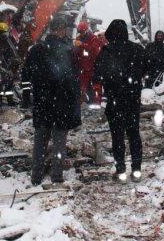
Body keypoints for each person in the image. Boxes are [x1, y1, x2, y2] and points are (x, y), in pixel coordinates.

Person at [21, 16, 81, 186]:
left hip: (42, 103)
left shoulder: (36, 50)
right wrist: (74, 104)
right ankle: (57, 175)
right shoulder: (67, 51)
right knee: (59, 141)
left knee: (40, 140)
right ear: (62, 30)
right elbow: (73, 81)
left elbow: (26, 76)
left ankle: (36, 175)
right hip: (61, 104)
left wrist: (27, 97)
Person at [94, 19, 147, 182]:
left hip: (114, 100)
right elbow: (146, 69)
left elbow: (98, 74)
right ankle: (137, 170)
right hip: (132, 99)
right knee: (133, 134)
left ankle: (121, 170)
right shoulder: (137, 49)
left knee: (117, 136)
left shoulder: (107, 51)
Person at [74, 21, 105, 106]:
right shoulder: (79, 39)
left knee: (96, 88)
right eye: (80, 32)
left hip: (93, 68)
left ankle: (96, 104)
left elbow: (95, 52)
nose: (81, 34)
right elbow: (77, 54)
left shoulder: (94, 39)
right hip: (83, 69)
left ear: (87, 30)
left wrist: (82, 45)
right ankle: (83, 104)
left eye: (82, 32)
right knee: (82, 88)